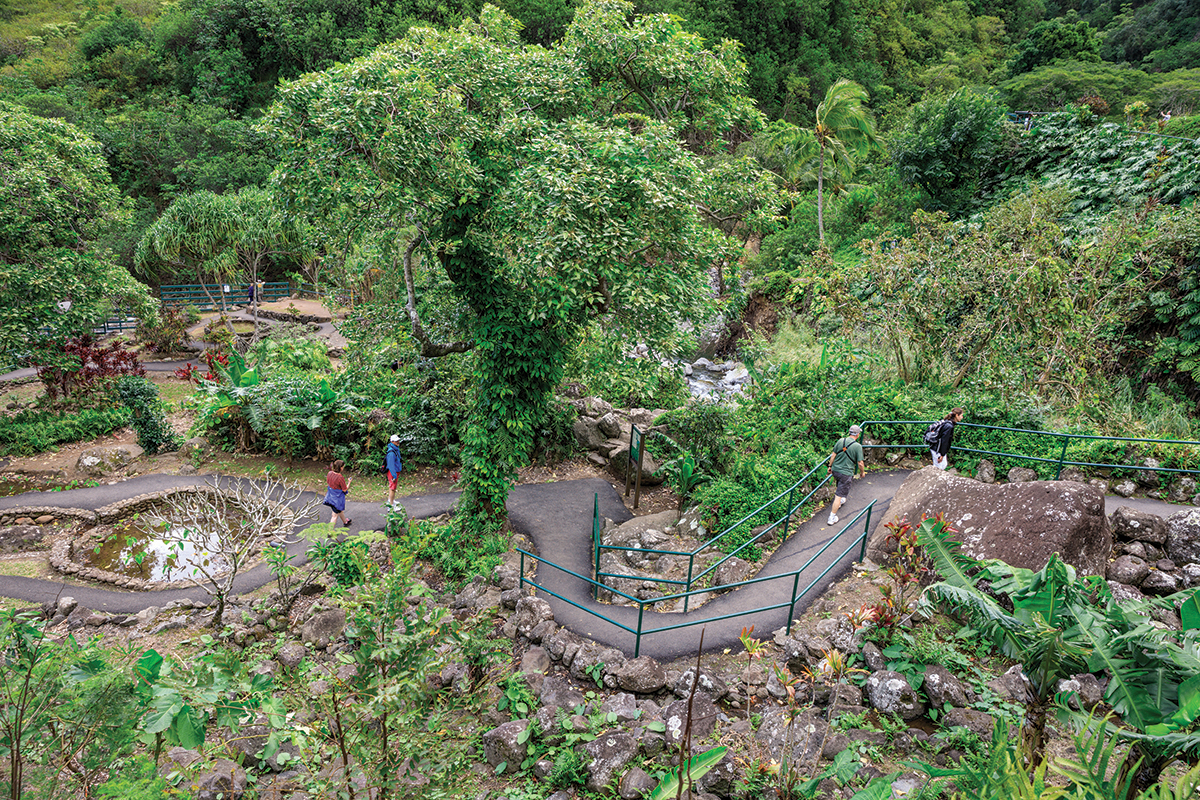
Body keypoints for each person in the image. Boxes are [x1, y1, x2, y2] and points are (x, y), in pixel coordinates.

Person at [827, 424, 866, 526]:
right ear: (857, 435)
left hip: (836, 470)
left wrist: (830, 466)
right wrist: (862, 472)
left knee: (841, 485)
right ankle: (832, 517)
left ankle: (842, 499)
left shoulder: (841, 441)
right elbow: (860, 463)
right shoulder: (857, 446)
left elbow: (833, 455)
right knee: (838, 495)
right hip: (846, 473)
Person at [323, 459, 352, 527]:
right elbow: (344, 489)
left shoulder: (329, 473)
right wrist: (349, 482)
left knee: (339, 510)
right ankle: (330, 531)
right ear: (341, 467)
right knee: (334, 515)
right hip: (337, 499)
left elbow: (328, 482)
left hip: (330, 496)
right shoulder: (340, 477)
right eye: (343, 466)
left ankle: (345, 522)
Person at [386, 434, 404, 509]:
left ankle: (391, 500)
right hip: (393, 473)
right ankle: (391, 505)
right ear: (392, 441)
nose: (398, 441)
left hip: (396, 471)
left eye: (398, 440)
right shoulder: (391, 452)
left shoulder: (395, 448)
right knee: (393, 488)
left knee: (392, 487)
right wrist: (394, 475)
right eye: (396, 441)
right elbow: (390, 465)